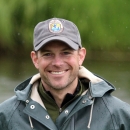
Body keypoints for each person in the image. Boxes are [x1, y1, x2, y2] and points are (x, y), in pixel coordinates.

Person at [0, 18, 130, 130]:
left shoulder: (118, 115)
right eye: (47, 54)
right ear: (35, 59)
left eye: (66, 53)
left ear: (81, 56)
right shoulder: (6, 115)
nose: (57, 63)